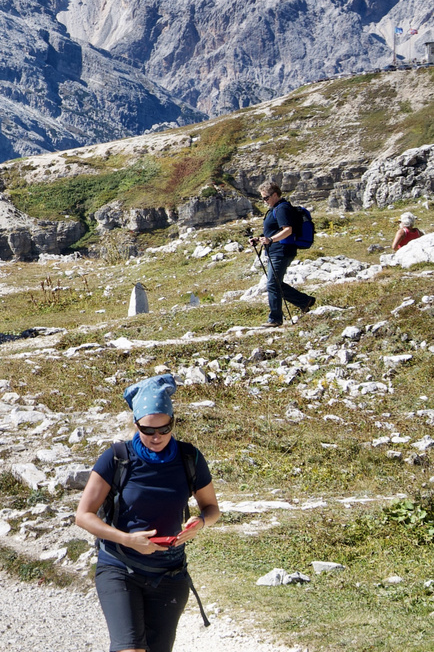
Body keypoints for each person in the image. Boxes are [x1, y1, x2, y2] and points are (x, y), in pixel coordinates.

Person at [75, 374, 219, 652]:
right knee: (129, 648)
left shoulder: (190, 458)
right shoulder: (116, 457)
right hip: (119, 566)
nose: (157, 437)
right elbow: (83, 515)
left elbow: (212, 509)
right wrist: (127, 539)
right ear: (135, 424)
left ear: (173, 422)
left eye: (165, 429)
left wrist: (199, 523)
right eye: (148, 430)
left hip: (170, 573)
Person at [253, 181, 315, 327]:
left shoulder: (282, 209)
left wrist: (271, 239)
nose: (264, 201)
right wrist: (259, 238)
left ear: (275, 195)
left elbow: (288, 230)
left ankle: (275, 318)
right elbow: (273, 230)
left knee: (273, 284)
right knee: (275, 284)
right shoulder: (275, 208)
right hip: (276, 250)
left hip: (281, 251)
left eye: (266, 198)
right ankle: (304, 301)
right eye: (262, 198)